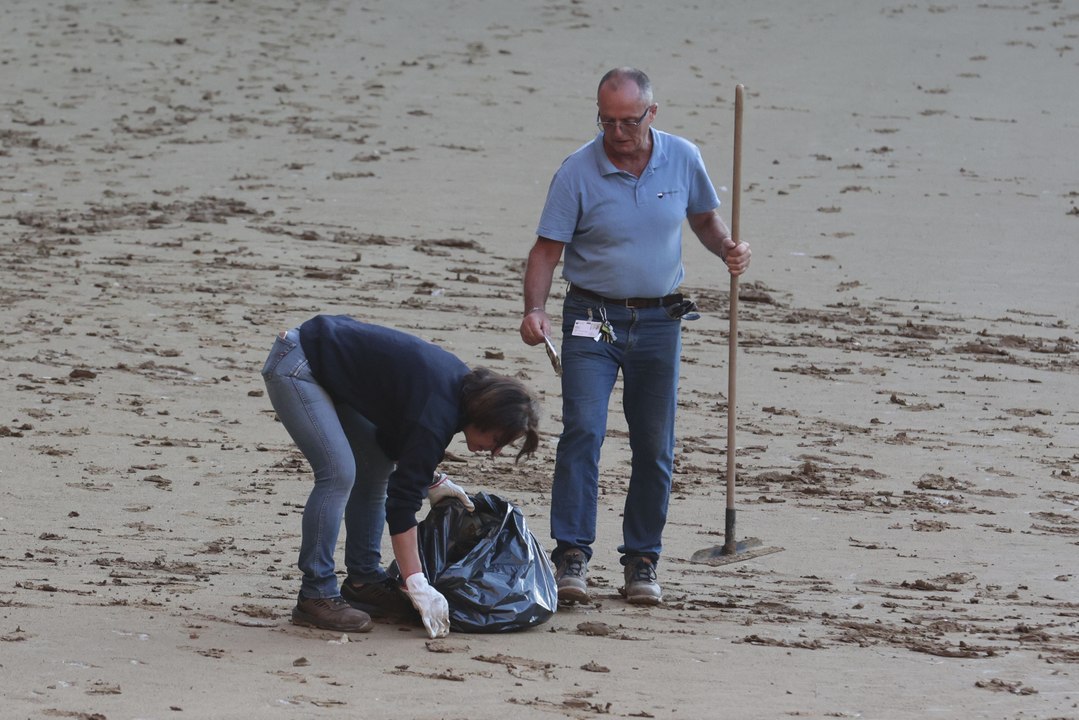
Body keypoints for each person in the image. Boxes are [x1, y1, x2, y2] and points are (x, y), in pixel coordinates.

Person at [518, 67, 751, 606]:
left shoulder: (683, 157)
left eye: (629, 121)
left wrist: (728, 249)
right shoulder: (577, 171)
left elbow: (704, 220)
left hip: (660, 320)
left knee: (654, 443)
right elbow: (546, 251)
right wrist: (535, 310)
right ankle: (571, 554)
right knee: (583, 430)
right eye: (607, 121)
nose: (618, 132)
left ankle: (642, 560)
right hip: (591, 316)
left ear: (652, 113)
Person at [261, 314, 541, 638]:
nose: (495, 452)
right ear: (487, 416)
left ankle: (364, 580)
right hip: (299, 364)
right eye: (498, 439)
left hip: (330, 371)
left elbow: (393, 444)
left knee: (375, 465)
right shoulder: (438, 413)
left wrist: (430, 480)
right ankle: (316, 593)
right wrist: (416, 582)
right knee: (338, 474)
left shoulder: (460, 395)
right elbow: (401, 507)